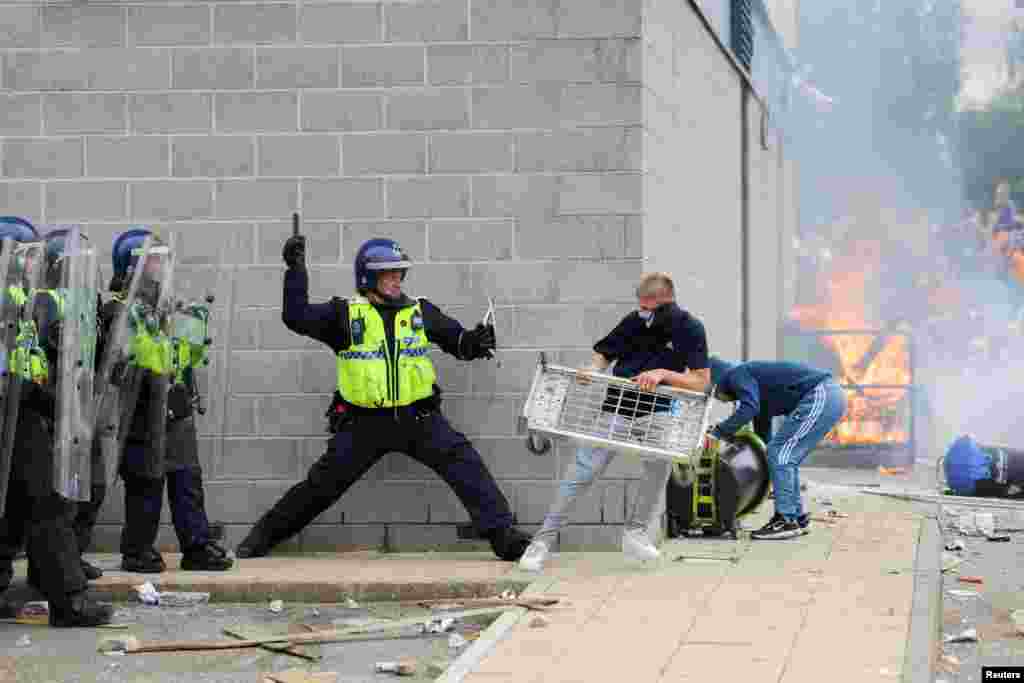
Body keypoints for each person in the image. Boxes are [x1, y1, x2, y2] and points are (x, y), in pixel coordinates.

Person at [235, 236, 531, 561]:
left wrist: (476, 342)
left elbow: (458, 342)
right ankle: (261, 538)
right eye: (387, 273)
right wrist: (295, 271)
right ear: (367, 278)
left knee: (466, 465)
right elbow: (295, 317)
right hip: (363, 424)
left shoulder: (420, 310)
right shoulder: (343, 314)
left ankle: (505, 538)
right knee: (320, 486)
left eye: (399, 273)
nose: (395, 279)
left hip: (419, 419)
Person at [518, 272, 710, 572]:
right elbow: (604, 353)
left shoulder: (690, 328)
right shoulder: (633, 322)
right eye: (640, 306)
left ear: (665, 303)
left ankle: (635, 532)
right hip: (617, 407)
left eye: (648, 307)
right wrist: (593, 369)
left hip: (659, 411)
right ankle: (542, 541)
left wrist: (663, 374)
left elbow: (699, 382)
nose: (642, 312)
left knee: (656, 472)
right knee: (581, 472)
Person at [0, 219, 112, 626]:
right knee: (46, 502)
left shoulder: (25, 300)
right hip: (10, 407)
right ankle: (69, 600)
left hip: (23, 406)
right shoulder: (6, 298)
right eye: (25, 257)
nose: (33, 265)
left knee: (16, 505)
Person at [106, 228, 232, 573]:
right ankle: (137, 550)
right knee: (146, 482)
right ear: (133, 267)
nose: (161, 268)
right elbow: (134, 357)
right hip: (140, 407)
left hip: (173, 403)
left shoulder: (166, 305)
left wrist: (193, 325)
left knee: (186, 478)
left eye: (163, 261)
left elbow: (186, 356)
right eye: (153, 262)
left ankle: (197, 544)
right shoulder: (119, 310)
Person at [701, 356, 847, 540]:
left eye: (713, 392)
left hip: (822, 394)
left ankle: (785, 520)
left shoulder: (736, 374)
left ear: (716, 380)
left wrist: (718, 432)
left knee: (781, 455)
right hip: (828, 396)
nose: (718, 399)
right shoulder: (753, 384)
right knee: (782, 455)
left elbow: (749, 408)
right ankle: (796, 517)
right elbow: (763, 434)